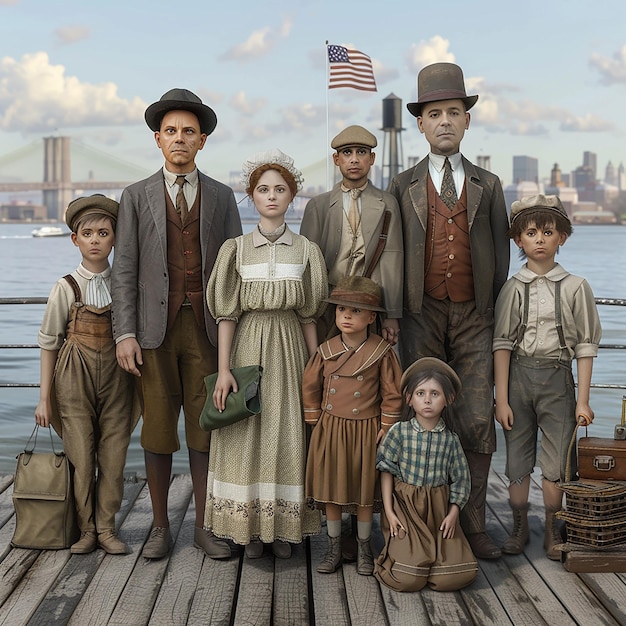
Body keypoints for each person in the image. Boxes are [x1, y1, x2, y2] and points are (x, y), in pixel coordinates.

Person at [111, 89, 242, 560]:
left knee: (208, 427)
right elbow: (123, 269)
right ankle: (162, 527)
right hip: (152, 332)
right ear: (157, 139)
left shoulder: (224, 196)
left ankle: (206, 527)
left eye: (189, 131)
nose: (179, 138)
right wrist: (124, 333)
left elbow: (233, 270)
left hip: (207, 330)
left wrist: (236, 334)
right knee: (159, 429)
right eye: (171, 131)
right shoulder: (134, 196)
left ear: (202, 141)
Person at [388, 62, 510, 559]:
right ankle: (421, 522)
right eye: (434, 113)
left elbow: (501, 256)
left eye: (453, 112)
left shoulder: (490, 183)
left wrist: (495, 310)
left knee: (477, 416)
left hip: (476, 315)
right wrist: (395, 312)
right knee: (419, 412)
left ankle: (473, 524)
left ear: (466, 120)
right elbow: (394, 254)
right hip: (420, 313)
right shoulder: (402, 184)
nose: (444, 121)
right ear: (420, 123)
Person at [205, 149, 327, 559]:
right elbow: (227, 315)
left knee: (287, 432)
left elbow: (309, 314)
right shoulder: (235, 250)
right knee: (246, 431)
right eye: (263, 189)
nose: (271, 196)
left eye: (279, 189)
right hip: (248, 344)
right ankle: (249, 529)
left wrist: (318, 368)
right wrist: (223, 370)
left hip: (290, 347)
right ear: (252, 196)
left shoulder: (305, 250)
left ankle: (280, 528)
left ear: (292, 196)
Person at [493, 194, 601, 560]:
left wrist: (583, 399)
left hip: (558, 379)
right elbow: (502, 344)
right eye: (531, 232)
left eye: (548, 232)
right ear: (518, 240)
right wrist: (503, 398)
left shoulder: (576, 287)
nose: (540, 239)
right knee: (517, 458)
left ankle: (553, 525)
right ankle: (520, 525)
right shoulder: (512, 287)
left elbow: (585, 345)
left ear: (562, 238)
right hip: (520, 378)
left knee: (557, 461)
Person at [35, 195, 139, 555]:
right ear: (74, 239)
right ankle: (86, 530)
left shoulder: (126, 286)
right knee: (80, 456)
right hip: (72, 377)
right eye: (87, 232)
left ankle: (107, 527)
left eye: (104, 232)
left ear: (115, 239)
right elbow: (49, 343)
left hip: (118, 376)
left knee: (113, 454)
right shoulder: (64, 287)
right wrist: (44, 397)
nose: (95, 239)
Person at [304, 275, 402, 576]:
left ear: (372, 317)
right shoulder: (326, 350)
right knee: (331, 488)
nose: (346, 316)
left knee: (362, 492)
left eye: (356, 310)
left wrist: (388, 425)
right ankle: (333, 547)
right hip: (332, 429)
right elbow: (310, 386)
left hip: (366, 431)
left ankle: (362, 548)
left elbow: (392, 392)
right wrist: (315, 420)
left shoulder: (381, 352)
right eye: (341, 310)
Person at [374, 357, 477, 592]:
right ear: (409, 398)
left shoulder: (451, 440)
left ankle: (435, 565)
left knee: (457, 576)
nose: (427, 400)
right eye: (420, 393)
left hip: (438, 512)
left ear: (448, 399)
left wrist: (453, 513)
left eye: (435, 393)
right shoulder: (399, 432)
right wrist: (389, 511)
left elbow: (461, 479)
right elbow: (386, 470)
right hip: (406, 508)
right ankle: (407, 561)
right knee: (408, 579)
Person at [300, 125, 403, 346]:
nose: (354, 159)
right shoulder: (318, 205)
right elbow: (307, 266)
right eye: (347, 153)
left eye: (361, 152)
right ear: (336, 159)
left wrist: (392, 315)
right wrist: (308, 313)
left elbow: (392, 260)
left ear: (372, 158)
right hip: (326, 306)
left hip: (368, 304)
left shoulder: (387, 203)